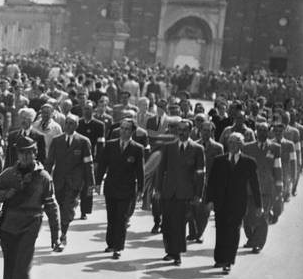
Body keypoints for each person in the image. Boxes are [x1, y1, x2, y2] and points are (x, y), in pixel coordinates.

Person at [0, 135, 60, 279]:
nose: (26, 157)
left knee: (22, 266)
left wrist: (56, 235)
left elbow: (51, 206)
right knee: (10, 266)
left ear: (35, 153)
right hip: (9, 225)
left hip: (31, 223)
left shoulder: (44, 178)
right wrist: (5, 194)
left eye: (29, 152)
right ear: (18, 155)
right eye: (22, 153)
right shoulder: (10, 174)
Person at [204, 132, 262, 274]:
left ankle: (229, 261)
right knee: (221, 230)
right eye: (230, 142)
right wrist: (209, 200)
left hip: (238, 203)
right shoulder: (219, 161)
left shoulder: (249, 162)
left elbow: (255, 185)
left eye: (236, 142)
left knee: (234, 231)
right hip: (221, 202)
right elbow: (211, 182)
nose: (233, 145)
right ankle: (219, 259)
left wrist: (258, 205)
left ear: (241, 144)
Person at [153, 118, 205, 266]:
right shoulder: (168, 147)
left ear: (190, 131)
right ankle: (169, 251)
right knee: (167, 223)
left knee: (180, 224)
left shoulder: (197, 149)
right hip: (168, 191)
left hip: (185, 193)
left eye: (185, 130)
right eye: (179, 130)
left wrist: (198, 195)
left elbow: (201, 174)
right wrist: (157, 189)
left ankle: (177, 254)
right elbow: (161, 169)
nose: (182, 133)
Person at [95, 118, 145, 258]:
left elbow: (140, 171)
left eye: (127, 129)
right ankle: (110, 244)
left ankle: (118, 247)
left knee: (122, 218)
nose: (123, 131)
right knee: (111, 217)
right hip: (111, 187)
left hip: (127, 189)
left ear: (132, 131)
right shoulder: (110, 145)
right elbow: (102, 165)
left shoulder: (137, 148)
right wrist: (98, 183)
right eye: (122, 128)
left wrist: (141, 189)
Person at [45, 113, 94, 249]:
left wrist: (91, 183)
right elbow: (50, 161)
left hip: (75, 182)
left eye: (72, 123)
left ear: (77, 125)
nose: (68, 126)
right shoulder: (57, 140)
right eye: (66, 123)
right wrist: (44, 177)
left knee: (68, 208)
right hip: (59, 180)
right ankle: (60, 231)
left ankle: (63, 234)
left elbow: (88, 164)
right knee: (60, 207)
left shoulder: (83, 141)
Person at [240, 122, 282, 253]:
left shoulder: (275, 148)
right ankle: (252, 239)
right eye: (260, 130)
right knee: (248, 217)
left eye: (265, 130)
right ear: (256, 132)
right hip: (249, 188)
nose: (262, 133)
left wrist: (279, 187)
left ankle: (258, 243)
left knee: (262, 216)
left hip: (266, 188)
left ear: (268, 132)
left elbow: (277, 168)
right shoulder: (247, 148)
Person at [188, 121, 223, 244]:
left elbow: (220, 168)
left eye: (209, 130)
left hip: (209, 183)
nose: (206, 133)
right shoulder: (193, 145)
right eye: (204, 130)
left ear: (212, 132)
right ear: (200, 131)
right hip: (194, 182)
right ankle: (192, 232)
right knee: (191, 208)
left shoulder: (218, 148)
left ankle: (200, 234)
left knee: (204, 210)